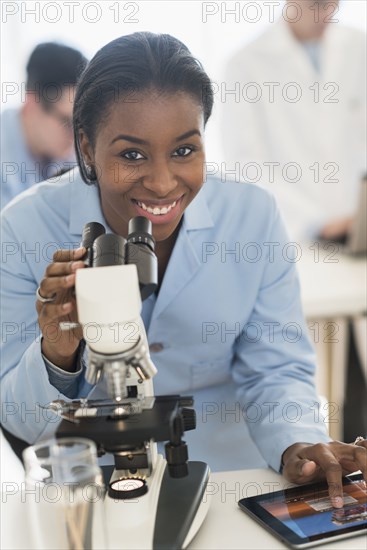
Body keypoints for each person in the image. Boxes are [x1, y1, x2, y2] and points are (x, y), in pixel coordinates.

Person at [1, 32, 366, 508]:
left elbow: (276, 368)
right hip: (93, 489)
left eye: (184, 150)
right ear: (87, 148)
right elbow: (19, 418)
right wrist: (58, 352)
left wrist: (296, 442)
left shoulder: (250, 215)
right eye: (131, 154)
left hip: (234, 481)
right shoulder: (25, 226)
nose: (161, 181)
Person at [221, 0, 366, 242]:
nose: (328, 14)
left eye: (334, 4)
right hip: (295, 234)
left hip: (357, 229)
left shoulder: (359, 47)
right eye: (317, 4)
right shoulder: (245, 65)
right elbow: (246, 166)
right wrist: (315, 222)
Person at [1, 42, 87, 209]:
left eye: (82, 124)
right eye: (67, 122)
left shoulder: (67, 153)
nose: (76, 138)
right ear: (32, 104)